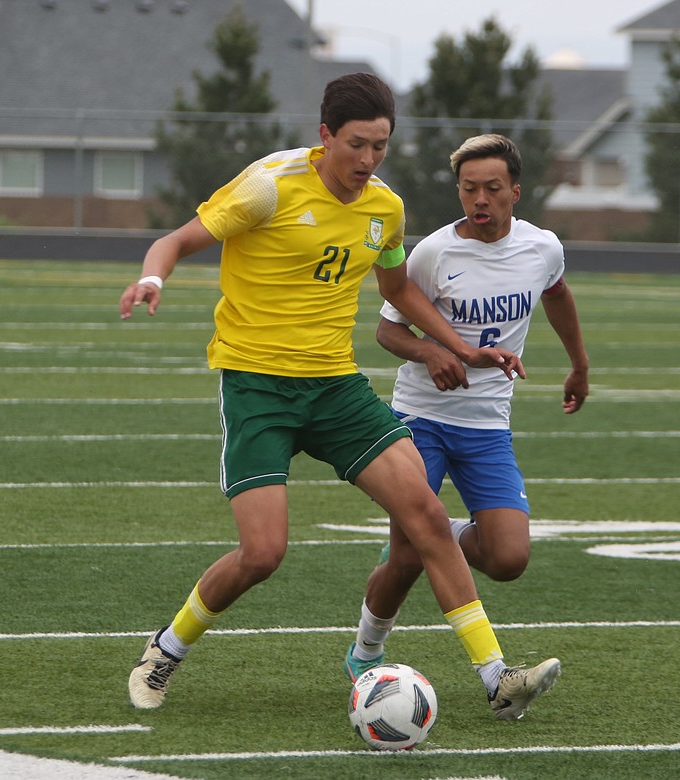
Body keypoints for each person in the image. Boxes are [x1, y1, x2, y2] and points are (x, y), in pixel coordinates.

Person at [118, 73, 559, 721]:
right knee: (263, 554)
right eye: (356, 144)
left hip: (335, 389)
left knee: (428, 518)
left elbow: (399, 291)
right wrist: (153, 277)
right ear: (325, 136)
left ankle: (497, 677)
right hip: (257, 387)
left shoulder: (384, 207)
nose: (368, 160)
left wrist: (458, 347)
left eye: (380, 145)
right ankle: (166, 648)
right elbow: (178, 239)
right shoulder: (268, 186)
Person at [343, 134, 583, 718]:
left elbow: (556, 294)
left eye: (492, 189)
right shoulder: (432, 253)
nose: (480, 199)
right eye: (469, 188)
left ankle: (436, 530)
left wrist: (579, 363)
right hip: (419, 420)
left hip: (487, 427)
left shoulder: (541, 247)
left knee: (508, 558)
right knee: (404, 554)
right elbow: (387, 330)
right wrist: (431, 353)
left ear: (515, 192)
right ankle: (365, 654)